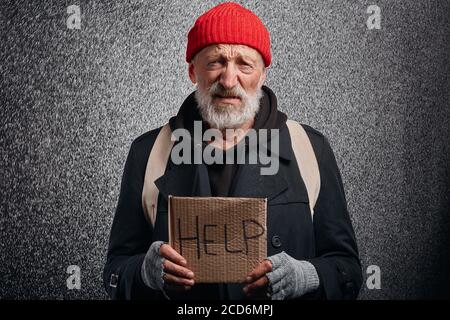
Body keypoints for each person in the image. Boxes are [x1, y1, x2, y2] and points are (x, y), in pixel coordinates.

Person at [103, 2, 362, 300]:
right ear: (192, 71)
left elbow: (348, 270)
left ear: (262, 75)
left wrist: (308, 276)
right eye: (215, 62)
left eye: (244, 64)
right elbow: (114, 271)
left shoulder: (310, 148)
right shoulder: (148, 152)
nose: (228, 80)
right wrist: (144, 273)